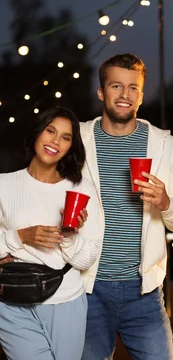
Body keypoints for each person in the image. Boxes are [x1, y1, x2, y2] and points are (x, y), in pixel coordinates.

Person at [80, 53, 173, 360]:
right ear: (101, 92)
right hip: (86, 289)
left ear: (141, 96)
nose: (125, 95)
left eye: (133, 88)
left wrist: (166, 202)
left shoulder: (164, 146)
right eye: (116, 86)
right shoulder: (77, 140)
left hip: (143, 292)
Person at [0, 106, 101, 360]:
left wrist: (70, 235)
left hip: (65, 300)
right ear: (37, 132)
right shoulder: (4, 185)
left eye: (66, 137)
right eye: (50, 131)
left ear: (71, 146)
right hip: (10, 301)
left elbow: (88, 258)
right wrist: (21, 236)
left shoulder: (82, 189)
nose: (55, 141)